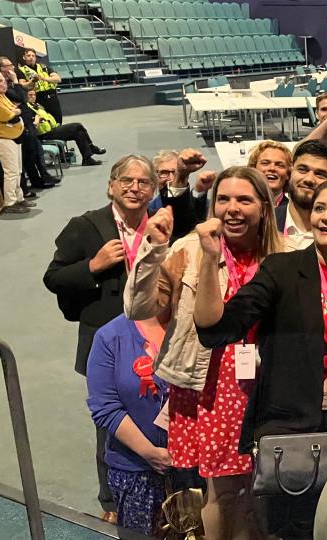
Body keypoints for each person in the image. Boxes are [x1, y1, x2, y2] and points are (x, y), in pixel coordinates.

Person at [193, 180, 327, 538]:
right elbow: (216, 328)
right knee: (293, 531)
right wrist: (208, 258)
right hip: (293, 430)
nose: (326, 217)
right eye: (320, 209)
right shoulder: (281, 271)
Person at [124, 166, 281, 539]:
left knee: (262, 493)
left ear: (265, 206)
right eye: (223, 199)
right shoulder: (188, 250)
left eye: (244, 199)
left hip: (269, 384)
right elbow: (139, 309)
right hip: (210, 384)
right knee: (225, 493)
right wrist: (151, 250)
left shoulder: (287, 252)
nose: (232, 208)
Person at [44, 155, 158, 523]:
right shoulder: (85, 226)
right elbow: (54, 278)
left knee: (160, 413)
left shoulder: (160, 226)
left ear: (152, 191)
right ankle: (110, 501)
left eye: (143, 182)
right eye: (126, 180)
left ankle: (164, 486)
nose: (134, 188)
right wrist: (92, 266)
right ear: (111, 185)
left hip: (156, 338)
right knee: (109, 422)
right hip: (106, 342)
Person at [86, 314, 170, 536]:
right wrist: (150, 453)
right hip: (134, 471)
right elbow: (105, 407)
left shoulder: (195, 331)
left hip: (192, 469)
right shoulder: (109, 337)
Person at [0, 57, 60, 192]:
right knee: (27, 156)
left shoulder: (10, 84)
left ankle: (41, 178)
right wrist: (14, 81)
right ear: (1, 70)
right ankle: (28, 186)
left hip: (26, 120)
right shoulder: (4, 86)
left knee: (36, 151)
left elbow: (25, 92)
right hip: (18, 125)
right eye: (8, 66)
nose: (12, 68)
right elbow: (20, 98)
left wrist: (32, 81)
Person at [278, 140, 327, 250]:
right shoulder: (264, 224)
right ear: (290, 172)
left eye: (320, 174)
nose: (309, 179)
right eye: (302, 170)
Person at [0, 69, 29, 213]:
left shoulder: (1, 96)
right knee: (11, 173)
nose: (0, 83)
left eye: (1, 80)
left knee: (18, 171)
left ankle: (19, 198)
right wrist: (14, 112)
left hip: (14, 136)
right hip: (4, 139)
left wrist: (15, 111)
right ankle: (10, 203)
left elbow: (15, 109)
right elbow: (9, 115)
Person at [148, 148, 214, 243]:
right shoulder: (148, 210)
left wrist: (199, 191)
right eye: (164, 173)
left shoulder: (202, 204)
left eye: (175, 172)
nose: (171, 178)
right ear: (155, 177)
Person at [28, 89, 105, 166]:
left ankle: (87, 159)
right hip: (44, 135)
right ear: (25, 96)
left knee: (79, 133)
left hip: (52, 129)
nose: (33, 97)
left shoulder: (37, 105)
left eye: (34, 95)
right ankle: (92, 147)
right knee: (77, 125)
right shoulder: (27, 109)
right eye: (30, 95)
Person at [17, 48, 62, 124]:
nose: (31, 57)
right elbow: (23, 85)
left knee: (58, 120)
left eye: (33, 56)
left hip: (52, 97)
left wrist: (44, 78)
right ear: (24, 57)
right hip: (38, 98)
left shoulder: (43, 67)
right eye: (28, 55)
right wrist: (33, 81)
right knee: (45, 122)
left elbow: (58, 79)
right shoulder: (21, 70)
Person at [247, 140, 292, 208]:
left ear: (288, 174)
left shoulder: (293, 212)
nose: (272, 168)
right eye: (265, 163)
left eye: (279, 165)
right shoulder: (240, 207)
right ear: (253, 169)